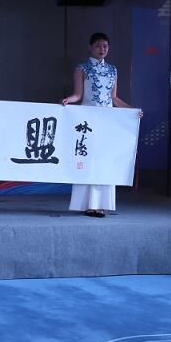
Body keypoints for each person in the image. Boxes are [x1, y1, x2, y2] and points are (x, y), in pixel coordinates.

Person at [61, 32, 141, 218]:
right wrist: (69, 100)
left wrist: (132, 110)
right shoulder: (82, 68)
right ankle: (89, 205)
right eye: (98, 45)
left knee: (105, 160)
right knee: (89, 160)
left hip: (108, 121)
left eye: (105, 46)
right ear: (90, 47)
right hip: (89, 119)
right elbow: (78, 95)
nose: (102, 49)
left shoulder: (113, 70)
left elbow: (114, 98)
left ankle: (101, 204)